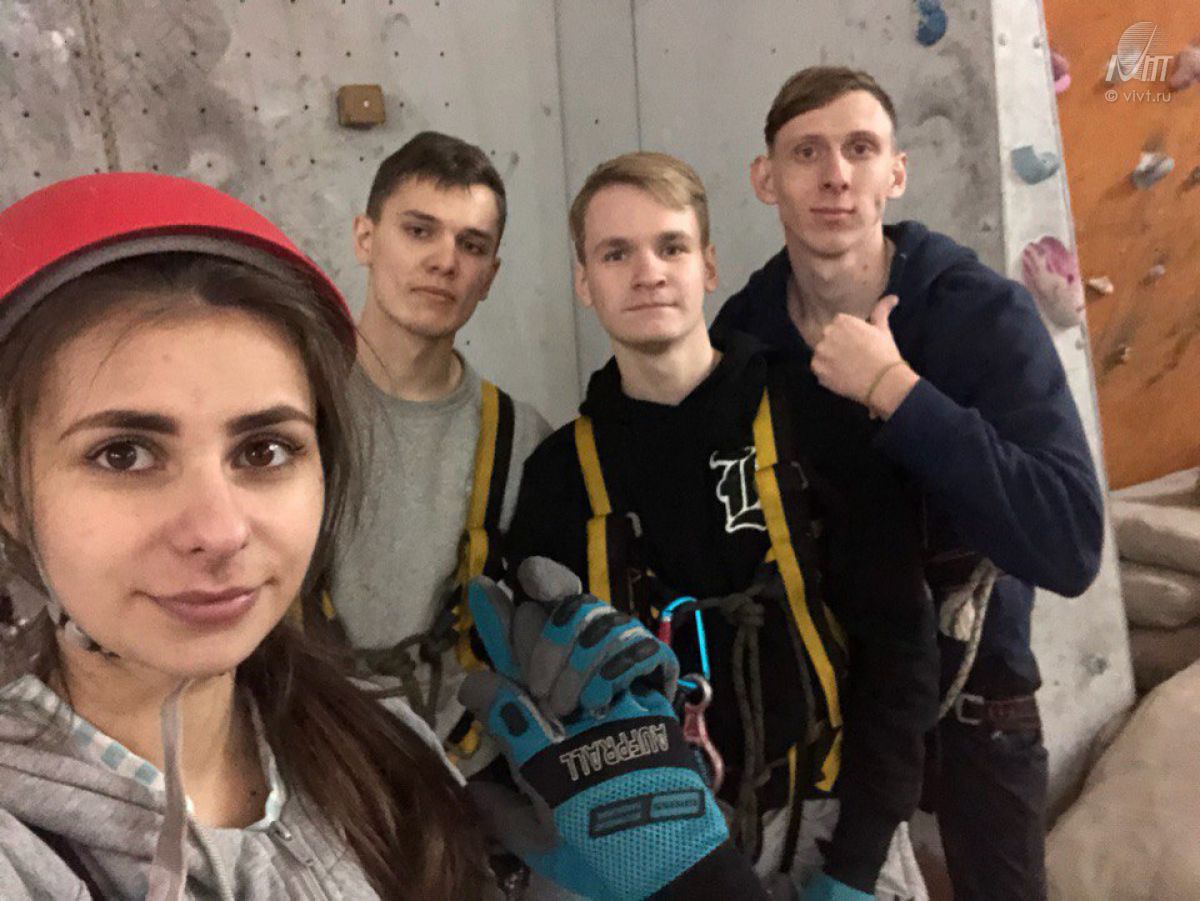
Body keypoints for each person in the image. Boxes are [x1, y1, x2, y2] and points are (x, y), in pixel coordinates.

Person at [0, 173, 758, 900]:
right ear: (9, 494)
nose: (220, 531)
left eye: (265, 450)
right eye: (123, 454)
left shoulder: (385, 753)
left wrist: (670, 879)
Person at [711, 67, 1104, 900]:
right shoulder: (745, 335)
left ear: (896, 172)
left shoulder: (979, 313)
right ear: (765, 178)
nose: (835, 175)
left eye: (860, 149)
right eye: (807, 152)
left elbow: (1068, 543)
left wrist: (897, 391)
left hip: (975, 703)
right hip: (820, 704)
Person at [506, 151, 939, 900]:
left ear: (707, 265)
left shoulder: (817, 418)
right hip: (656, 846)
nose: (648, 272)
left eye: (671, 246)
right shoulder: (560, 477)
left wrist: (858, 865)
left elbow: (901, 643)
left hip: (835, 822)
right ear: (585, 282)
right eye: (616, 253)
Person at [327, 132, 551, 772]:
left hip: (463, 776)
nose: (444, 261)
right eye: (419, 231)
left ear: (490, 276)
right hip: (306, 766)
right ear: (365, 238)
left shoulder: (521, 438)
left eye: (471, 245)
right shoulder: (282, 411)